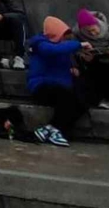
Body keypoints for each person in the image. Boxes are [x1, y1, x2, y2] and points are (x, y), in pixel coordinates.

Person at [26, 16, 86, 147]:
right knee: (66, 97)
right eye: (63, 36)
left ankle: (52, 129)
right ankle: (55, 130)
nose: (65, 40)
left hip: (60, 85)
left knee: (81, 102)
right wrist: (79, 44)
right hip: (41, 86)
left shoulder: (62, 48)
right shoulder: (41, 44)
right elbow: (52, 51)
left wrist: (72, 70)